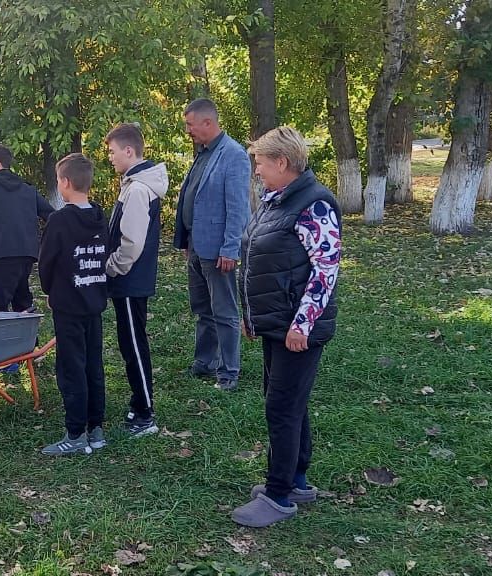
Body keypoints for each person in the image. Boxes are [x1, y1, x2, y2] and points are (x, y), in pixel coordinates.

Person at [230, 127, 342, 528]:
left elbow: (325, 270)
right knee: (289, 403)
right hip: (277, 323)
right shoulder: (277, 201)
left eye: (260, 162)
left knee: (282, 407)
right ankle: (296, 480)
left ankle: (278, 495)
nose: (256, 169)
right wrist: (252, 317)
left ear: (282, 162)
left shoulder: (313, 205)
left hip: (298, 329)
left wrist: (303, 324)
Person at [172, 98, 252, 392]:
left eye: (190, 125)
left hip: (219, 249)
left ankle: (228, 371)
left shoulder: (233, 155)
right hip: (197, 245)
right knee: (203, 308)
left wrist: (230, 248)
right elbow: (193, 198)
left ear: (208, 122)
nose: (188, 130)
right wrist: (185, 239)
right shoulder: (203, 153)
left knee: (224, 311)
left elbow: (237, 207)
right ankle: (205, 362)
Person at [37, 153, 109, 456]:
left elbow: (46, 262)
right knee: (94, 364)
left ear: (65, 183)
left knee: (71, 368)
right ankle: (96, 429)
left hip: (67, 305)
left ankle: (76, 434)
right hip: (94, 301)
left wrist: (49, 290)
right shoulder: (100, 215)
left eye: (58, 181)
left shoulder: (59, 220)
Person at [103, 123, 169, 438]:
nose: (111, 158)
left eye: (113, 152)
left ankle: (145, 413)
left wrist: (113, 267)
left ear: (129, 151)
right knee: (131, 342)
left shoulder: (139, 189)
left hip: (129, 279)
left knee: (133, 344)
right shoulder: (133, 184)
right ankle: (138, 402)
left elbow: (131, 243)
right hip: (130, 280)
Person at [0, 143, 55, 314]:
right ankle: (29, 341)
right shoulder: (27, 189)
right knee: (22, 301)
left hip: (3, 255)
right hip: (27, 254)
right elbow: (52, 216)